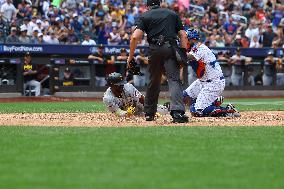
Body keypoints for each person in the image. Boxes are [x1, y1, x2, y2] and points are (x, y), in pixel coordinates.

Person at [127, 0, 189, 123]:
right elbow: (183, 35)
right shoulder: (172, 14)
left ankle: (149, 113)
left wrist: (130, 57)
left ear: (147, 6)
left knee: (154, 81)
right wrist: (182, 53)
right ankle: (177, 113)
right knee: (174, 80)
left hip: (155, 49)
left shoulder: (145, 15)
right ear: (159, 3)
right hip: (170, 48)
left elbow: (135, 37)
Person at [183, 29, 240, 117]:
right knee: (184, 96)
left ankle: (228, 110)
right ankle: (214, 101)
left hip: (214, 83)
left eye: (187, 38)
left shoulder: (199, 47)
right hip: (203, 81)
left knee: (197, 111)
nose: (185, 40)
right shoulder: (193, 48)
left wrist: (175, 51)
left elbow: (188, 57)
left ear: (193, 39)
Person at [103, 72, 169, 117]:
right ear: (111, 85)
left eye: (122, 84)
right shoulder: (107, 98)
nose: (121, 86)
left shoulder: (128, 87)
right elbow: (117, 112)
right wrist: (127, 113)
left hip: (138, 105)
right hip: (127, 112)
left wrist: (151, 110)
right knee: (130, 118)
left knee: (162, 111)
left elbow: (141, 99)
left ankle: (168, 107)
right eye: (119, 85)